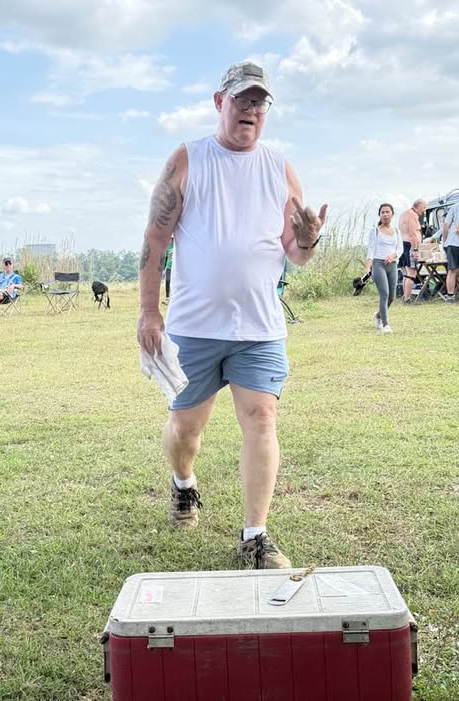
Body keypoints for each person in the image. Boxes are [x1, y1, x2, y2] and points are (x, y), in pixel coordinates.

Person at [137, 60, 327, 569]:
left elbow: (296, 252)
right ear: (220, 102)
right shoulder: (188, 160)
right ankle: (183, 483)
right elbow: (155, 239)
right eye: (242, 99)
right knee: (185, 429)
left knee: (262, 417)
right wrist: (149, 313)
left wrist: (308, 239)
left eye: (260, 102)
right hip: (194, 327)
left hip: (259, 327)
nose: (251, 110)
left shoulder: (280, 169)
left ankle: (255, 536)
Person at [365, 203, 403, 333]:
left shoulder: (396, 231)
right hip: (378, 264)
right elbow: (370, 250)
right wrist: (368, 267)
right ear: (379, 215)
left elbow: (400, 248)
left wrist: (393, 255)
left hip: (392, 265)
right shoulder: (375, 231)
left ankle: (378, 315)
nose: (385, 214)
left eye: (387, 212)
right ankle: (385, 325)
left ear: (392, 214)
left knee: (392, 297)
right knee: (384, 294)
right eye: (383, 212)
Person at [398, 198, 427, 303]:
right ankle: (407, 299)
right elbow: (413, 233)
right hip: (410, 246)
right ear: (418, 206)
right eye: (424, 207)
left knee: (407, 274)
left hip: (405, 244)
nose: (424, 210)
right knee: (411, 273)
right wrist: (415, 250)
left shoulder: (405, 214)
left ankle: (405, 296)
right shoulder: (412, 215)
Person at [442, 201, 459, 303]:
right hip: (454, 242)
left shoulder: (454, 207)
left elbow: (446, 225)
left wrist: (444, 242)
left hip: (453, 243)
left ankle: (450, 296)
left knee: (452, 270)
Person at [162, 237, 174, 304]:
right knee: (167, 281)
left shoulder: (178, 246)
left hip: (176, 268)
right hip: (169, 267)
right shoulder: (168, 247)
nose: (170, 240)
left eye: (172, 239)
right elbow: (166, 258)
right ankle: (167, 298)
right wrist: (164, 269)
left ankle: (174, 298)